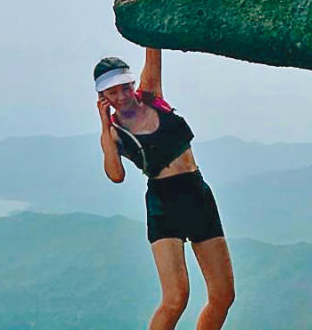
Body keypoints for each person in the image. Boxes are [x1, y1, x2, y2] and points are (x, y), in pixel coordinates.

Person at [96, 48, 235, 330]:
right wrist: (103, 123)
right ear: (103, 98)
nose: (121, 96)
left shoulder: (152, 96)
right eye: (113, 93)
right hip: (163, 202)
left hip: (197, 193)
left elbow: (153, 51)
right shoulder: (113, 133)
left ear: (133, 83)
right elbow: (115, 175)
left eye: (125, 87)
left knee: (223, 295)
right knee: (176, 298)